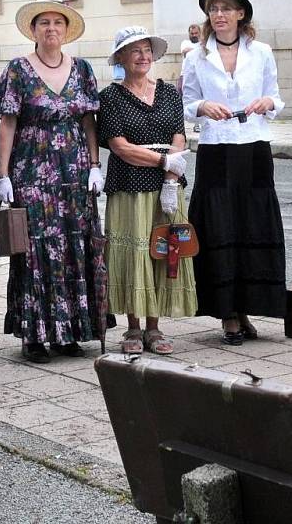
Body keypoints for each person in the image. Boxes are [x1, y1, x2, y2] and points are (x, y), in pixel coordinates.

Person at [0, 0, 106, 364]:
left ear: (66, 30)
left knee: (75, 247)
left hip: (73, 173)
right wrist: (2, 174)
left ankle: (70, 331)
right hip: (32, 172)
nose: (51, 29)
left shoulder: (83, 69)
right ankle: (35, 335)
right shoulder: (18, 70)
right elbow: (8, 123)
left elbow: (89, 121)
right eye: (44, 23)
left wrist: (94, 164)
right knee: (36, 252)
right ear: (34, 30)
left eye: (58, 23)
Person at [182, 0, 286, 345]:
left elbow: (276, 96)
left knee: (251, 222)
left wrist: (266, 103)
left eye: (226, 8)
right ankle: (227, 314)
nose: (220, 15)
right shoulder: (196, 56)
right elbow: (186, 102)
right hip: (216, 148)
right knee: (220, 225)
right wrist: (202, 107)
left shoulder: (261, 52)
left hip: (254, 146)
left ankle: (247, 307)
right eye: (214, 9)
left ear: (241, 14)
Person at [98, 26, 198, 355]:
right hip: (129, 183)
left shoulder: (169, 93)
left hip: (167, 182)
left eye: (146, 50)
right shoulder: (110, 97)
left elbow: (179, 137)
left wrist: (170, 178)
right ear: (121, 58)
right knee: (133, 251)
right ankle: (133, 327)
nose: (142, 56)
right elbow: (120, 147)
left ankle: (155, 327)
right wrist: (163, 159)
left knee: (164, 249)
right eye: (134, 50)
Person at [179, 23, 202, 130]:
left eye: (196, 33)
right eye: (191, 33)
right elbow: (185, 51)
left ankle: (197, 124)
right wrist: (199, 51)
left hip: (199, 76)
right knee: (182, 100)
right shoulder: (185, 43)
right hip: (184, 75)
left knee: (198, 101)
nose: (193, 35)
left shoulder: (203, 44)